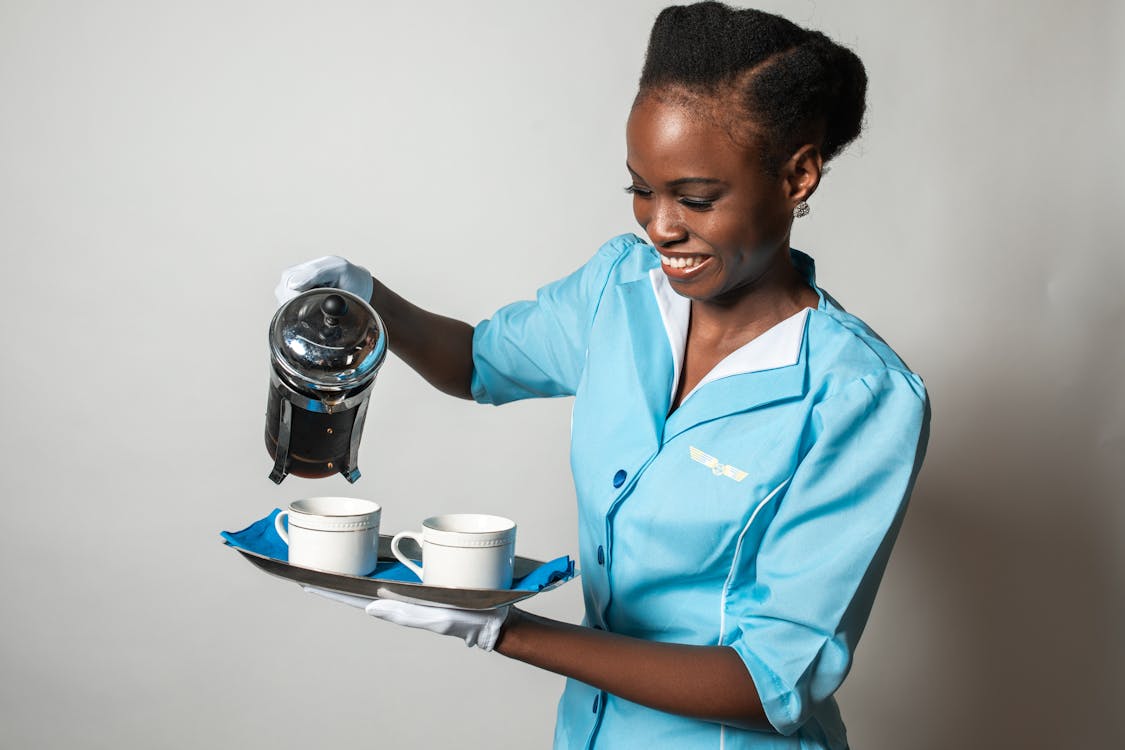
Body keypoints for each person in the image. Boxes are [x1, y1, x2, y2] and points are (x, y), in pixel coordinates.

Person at [275, 3, 929, 748]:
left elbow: (770, 681)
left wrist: (504, 630)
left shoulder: (856, 397)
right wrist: (366, 297)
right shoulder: (619, 290)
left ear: (797, 175)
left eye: (695, 198)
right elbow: (479, 362)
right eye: (640, 191)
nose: (659, 226)